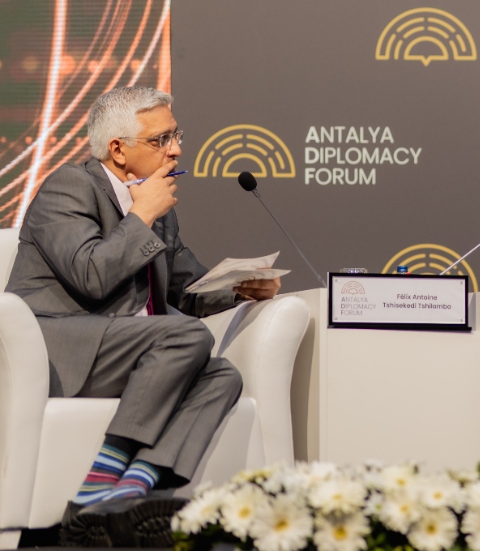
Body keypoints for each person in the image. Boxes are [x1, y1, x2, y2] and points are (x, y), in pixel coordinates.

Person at [5, 86, 280, 545]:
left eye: (176, 136)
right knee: (186, 336)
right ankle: (95, 486)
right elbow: (91, 275)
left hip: (134, 351)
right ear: (117, 150)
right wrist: (142, 215)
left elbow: (186, 290)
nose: (176, 150)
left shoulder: (158, 210)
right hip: (59, 352)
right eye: (160, 140)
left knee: (223, 376)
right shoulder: (68, 187)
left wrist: (239, 287)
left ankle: (131, 492)